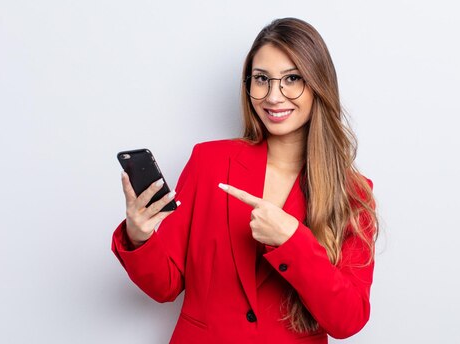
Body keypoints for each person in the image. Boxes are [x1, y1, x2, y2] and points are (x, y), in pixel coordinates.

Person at [112, 17, 378, 344]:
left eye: (292, 79)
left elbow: (347, 319)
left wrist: (292, 240)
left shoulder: (352, 193)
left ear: (318, 84)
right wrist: (140, 237)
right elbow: (165, 285)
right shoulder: (209, 163)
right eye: (261, 79)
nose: (273, 95)